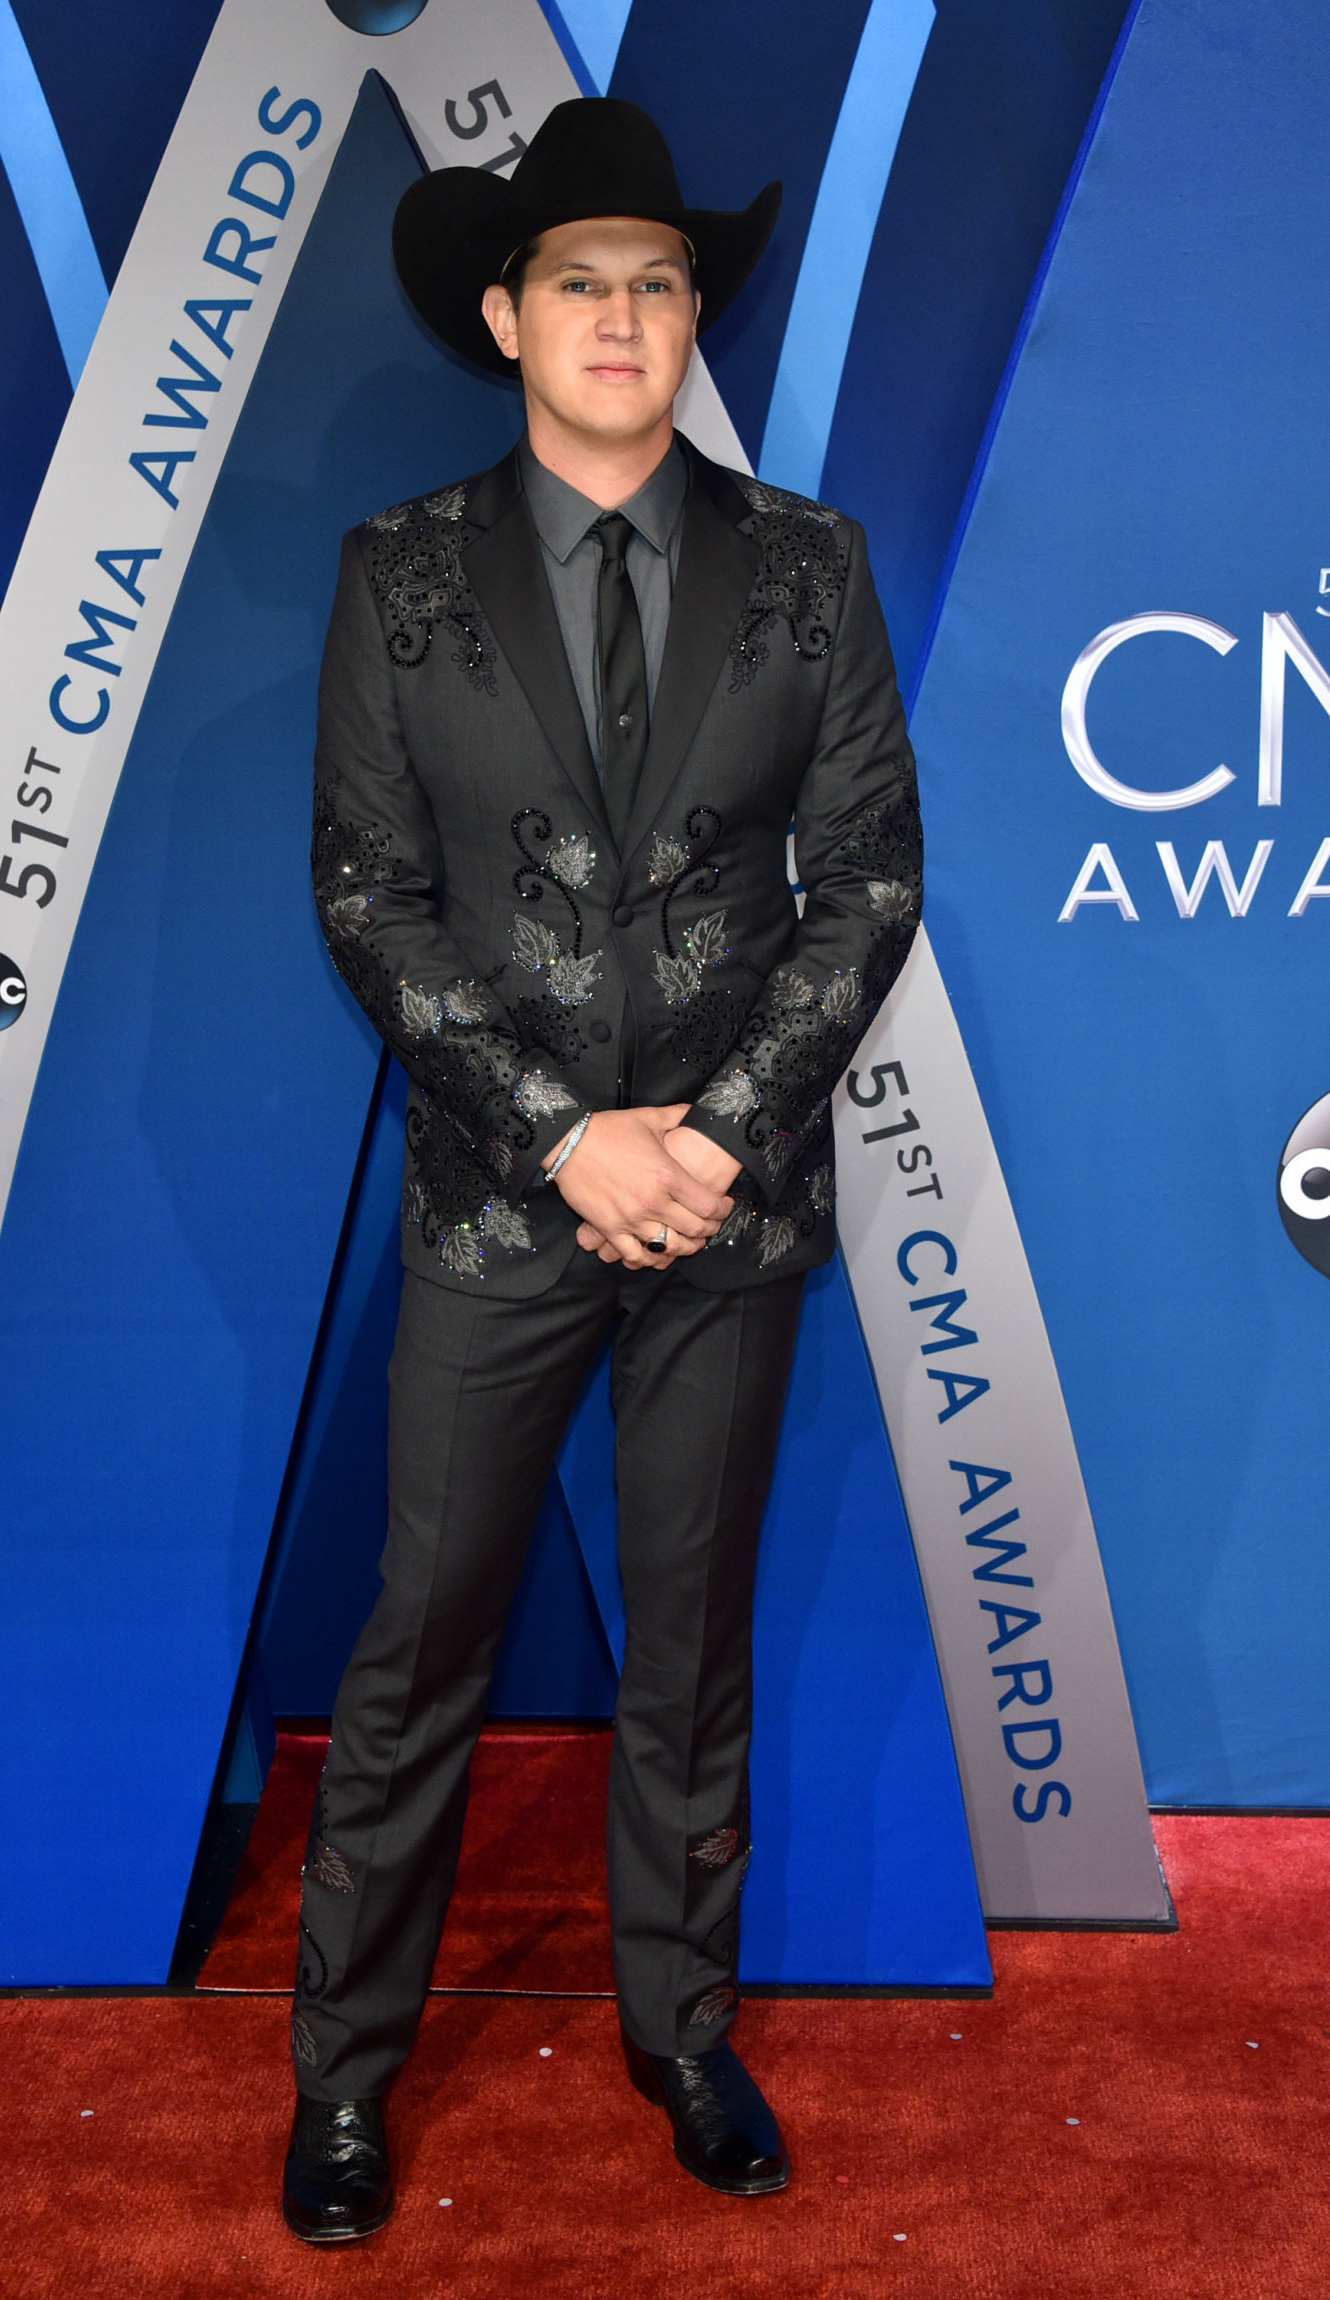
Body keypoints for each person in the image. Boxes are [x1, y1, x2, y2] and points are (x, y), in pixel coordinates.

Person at [284, 95, 922, 2244]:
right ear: (502, 312)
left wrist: (715, 1139)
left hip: (729, 1209)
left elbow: (865, 889)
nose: (621, 315)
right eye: (577, 279)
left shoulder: (808, 563)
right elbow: (369, 900)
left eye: (654, 279)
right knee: (416, 1643)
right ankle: (346, 2079)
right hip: (496, 1201)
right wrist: (568, 1140)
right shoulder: (396, 570)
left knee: (690, 1643)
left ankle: (679, 2031)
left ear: (684, 316)